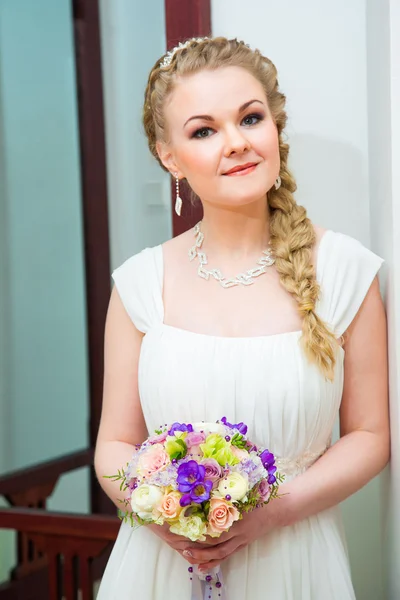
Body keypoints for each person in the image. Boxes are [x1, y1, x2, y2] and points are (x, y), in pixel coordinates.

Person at [95, 37, 390, 600]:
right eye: (204, 130)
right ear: (170, 157)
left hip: (294, 558)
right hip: (159, 566)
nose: (236, 143)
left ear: (274, 127)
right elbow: (114, 443)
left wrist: (271, 513)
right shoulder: (139, 283)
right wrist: (161, 515)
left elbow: (371, 435)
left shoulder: (347, 272)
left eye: (250, 118)